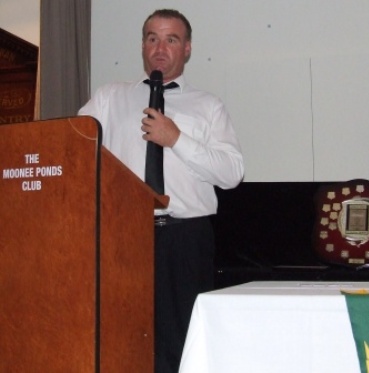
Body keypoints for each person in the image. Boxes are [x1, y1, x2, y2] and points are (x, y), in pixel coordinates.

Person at [79, 9, 244, 373]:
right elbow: (75, 150)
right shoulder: (110, 98)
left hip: (185, 239)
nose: (160, 47)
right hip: (123, 235)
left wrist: (177, 139)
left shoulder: (208, 106)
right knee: (121, 337)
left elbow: (232, 173)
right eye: (152, 37)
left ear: (186, 49)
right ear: (142, 46)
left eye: (171, 39)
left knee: (183, 344)